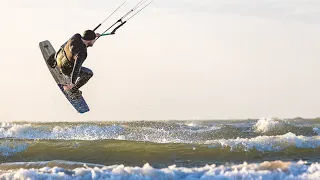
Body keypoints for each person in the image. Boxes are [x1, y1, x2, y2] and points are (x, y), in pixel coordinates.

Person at [54, 30, 100, 99]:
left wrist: (55, 57)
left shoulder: (76, 36)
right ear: (89, 40)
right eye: (94, 40)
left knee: (68, 52)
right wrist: (72, 83)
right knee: (89, 73)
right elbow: (76, 68)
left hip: (58, 59)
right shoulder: (82, 53)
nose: (94, 41)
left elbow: (63, 46)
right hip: (65, 69)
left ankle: (54, 61)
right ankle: (72, 91)